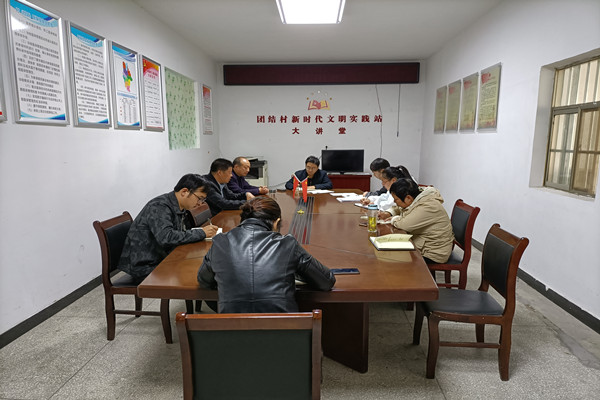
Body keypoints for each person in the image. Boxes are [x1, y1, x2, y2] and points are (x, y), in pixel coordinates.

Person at [197, 197, 336, 313]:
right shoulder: (287, 244)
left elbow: (203, 280)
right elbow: (326, 281)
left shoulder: (220, 242)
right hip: (284, 333)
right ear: (276, 222)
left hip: (231, 333)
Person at [118, 174, 219, 282]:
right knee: (197, 274)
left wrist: (200, 233)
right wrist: (202, 233)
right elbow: (166, 237)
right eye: (200, 198)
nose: (200, 203)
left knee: (205, 266)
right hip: (145, 265)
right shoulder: (159, 206)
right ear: (184, 192)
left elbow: (178, 233)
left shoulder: (179, 206)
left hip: (162, 256)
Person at [383, 178, 454, 264]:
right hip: (422, 244)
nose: (395, 202)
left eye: (396, 199)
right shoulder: (417, 197)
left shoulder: (428, 206)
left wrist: (394, 219)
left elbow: (404, 225)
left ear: (408, 198)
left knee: (390, 258)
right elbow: (400, 208)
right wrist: (388, 213)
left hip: (433, 253)